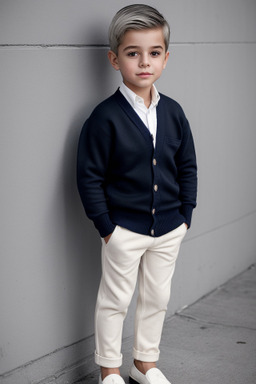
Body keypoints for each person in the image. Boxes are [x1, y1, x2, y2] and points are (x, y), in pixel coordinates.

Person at [77, 4, 197, 384]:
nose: (145, 62)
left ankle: (144, 363)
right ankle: (109, 370)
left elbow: (188, 166)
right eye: (133, 53)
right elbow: (88, 176)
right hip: (123, 230)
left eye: (154, 53)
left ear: (165, 57)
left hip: (169, 228)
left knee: (156, 300)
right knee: (114, 302)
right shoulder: (104, 117)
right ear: (115, 59)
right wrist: (107, 228)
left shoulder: (174, 112)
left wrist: (185, 215)